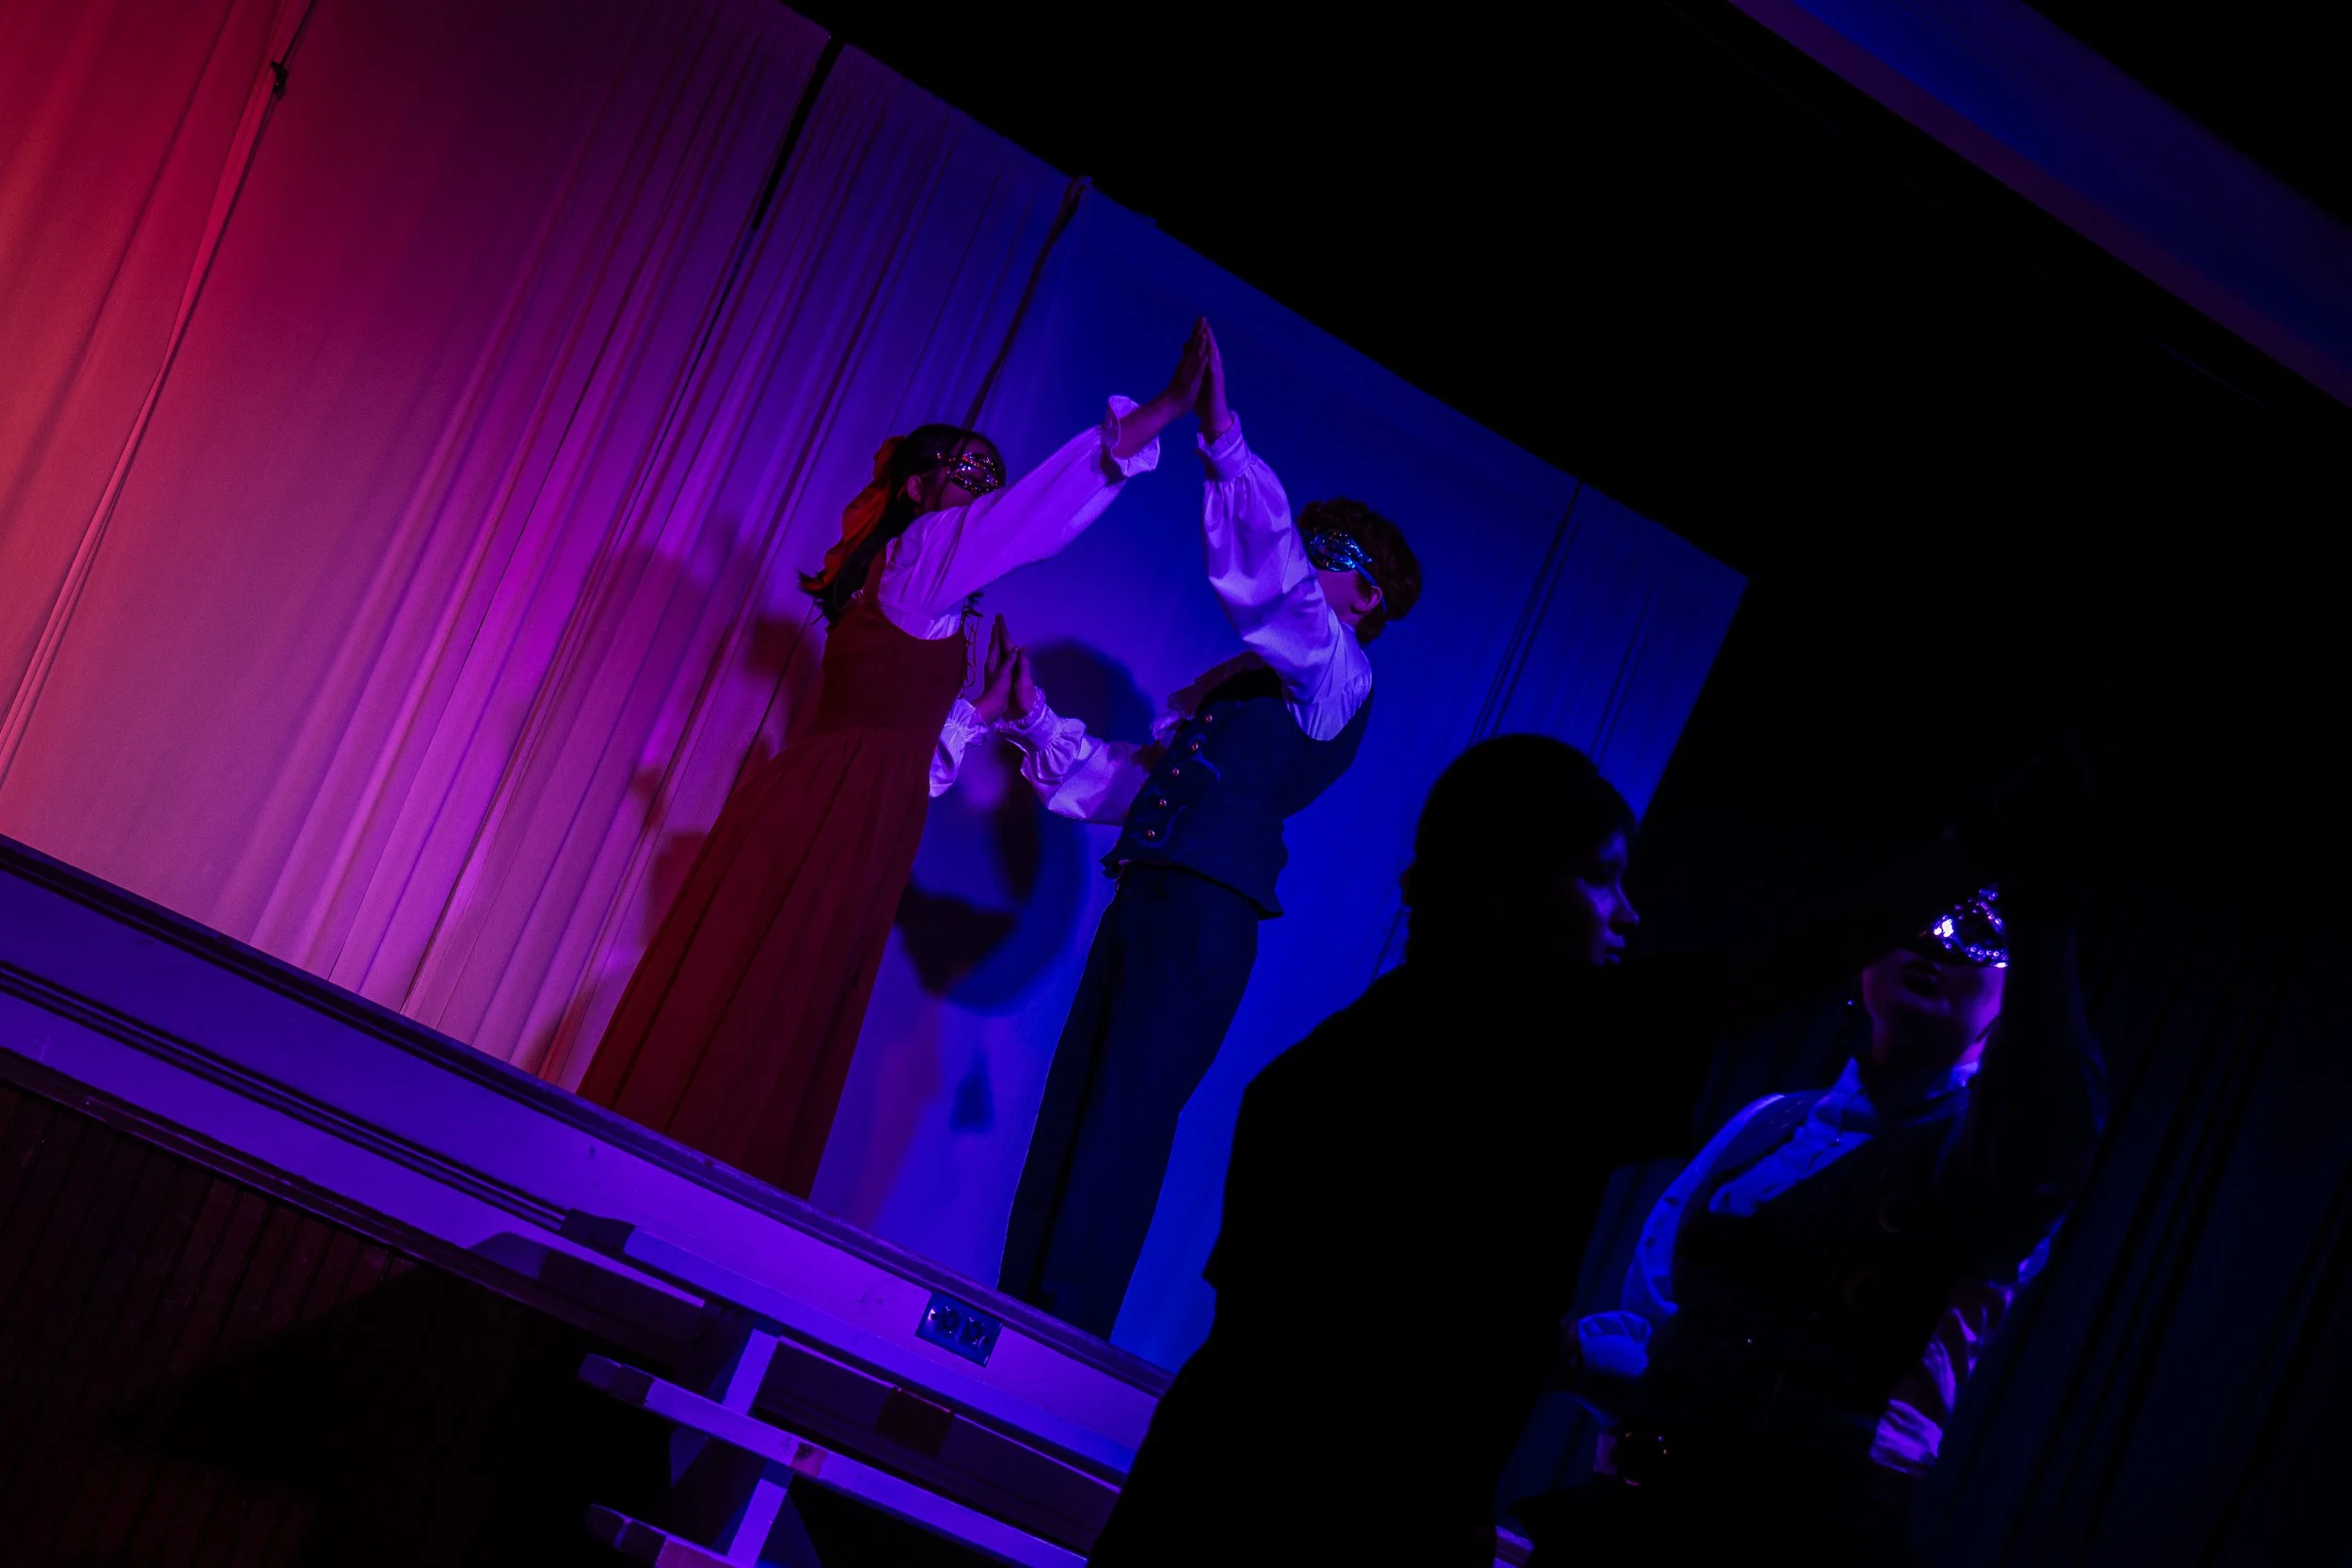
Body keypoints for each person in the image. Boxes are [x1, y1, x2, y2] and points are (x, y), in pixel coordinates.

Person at [1086, 734, 2026, 1567]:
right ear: (1505, 889)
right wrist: (1987, 837)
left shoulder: (1312, 1069)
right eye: (1601, 876)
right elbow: (1771, 971)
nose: (1629, 915)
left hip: (1201, 1486)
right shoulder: (1540, 1050)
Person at [578, 324, 1211, 1197]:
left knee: (790, 1013)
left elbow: (908, 760)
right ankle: (650, 1194)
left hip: (864, 814)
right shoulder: (917, 555)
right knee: (763, 999)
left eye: (991, 475)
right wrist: (1160, 416)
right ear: (916, 488)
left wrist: (977, 717)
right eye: (966, 474)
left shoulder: (930, 604)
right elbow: (1030, 520)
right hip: (828, 812)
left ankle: (696, 1209)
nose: (983, 488)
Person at [987, 321, 1425, 1338]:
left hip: (1204, 917)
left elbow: (1269, 592)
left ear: (1365, 601)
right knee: (1075, 1104)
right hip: (1149, 888)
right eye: (1313, 549)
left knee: (1126, 1122)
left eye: (1335, 561)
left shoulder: (1334, 673)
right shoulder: (1235, 687)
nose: (1313, 567)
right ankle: (1008, 1314)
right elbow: (1127, 785)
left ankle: (1059, 1331)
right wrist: (1027, 717)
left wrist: (1222, 438)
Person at [1528, 883, 2105, 1566]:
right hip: (1630, 1520)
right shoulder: (1766, 1120)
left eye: (1976, 933)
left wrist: (2043, 921)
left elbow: (2051, 1123)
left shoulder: (1989, 1161)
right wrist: (1570, 1355)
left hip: (1809, 1537)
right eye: (1917, 920)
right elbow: (1654, 1326)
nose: (1933, 944)